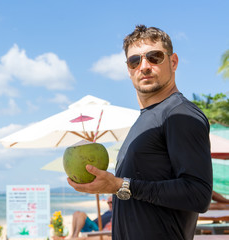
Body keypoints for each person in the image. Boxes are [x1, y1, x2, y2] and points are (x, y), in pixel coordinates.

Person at [67, 25, 213, 239]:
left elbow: (198, 194)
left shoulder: (180, 114)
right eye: (135, 61)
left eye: (154, 57)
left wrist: (119, 185)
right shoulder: (145, 118)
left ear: (173, 62)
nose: (144, 66)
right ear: (129, 69)